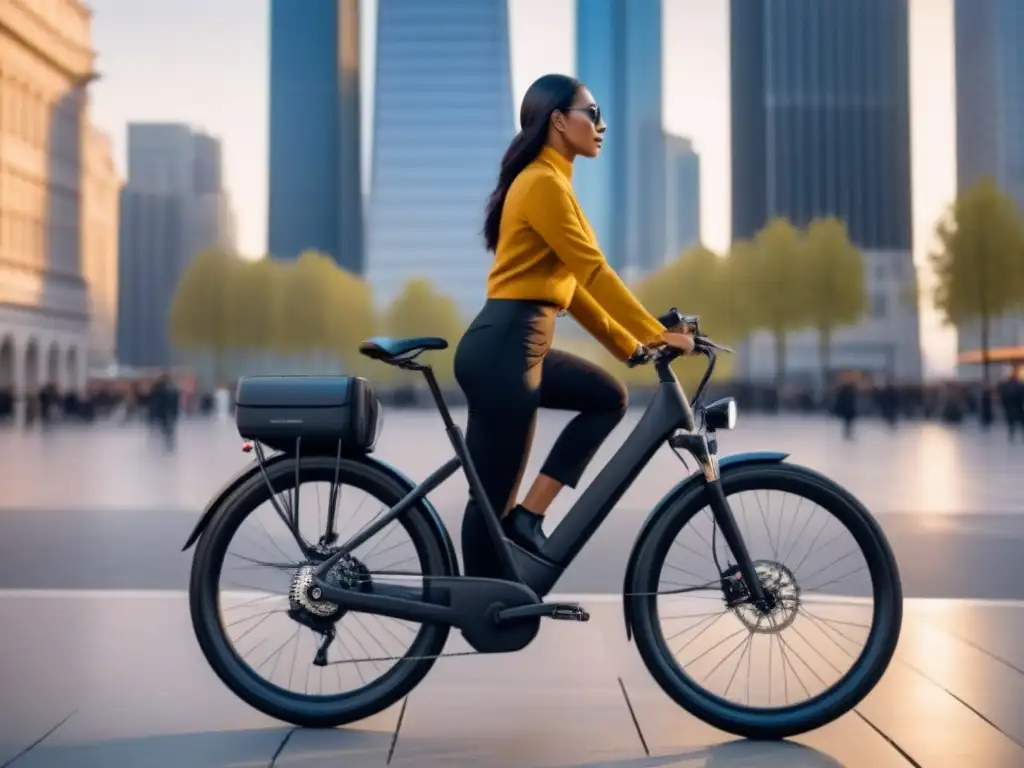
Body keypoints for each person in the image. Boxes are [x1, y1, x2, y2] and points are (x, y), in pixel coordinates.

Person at [454, 74, 695, 578]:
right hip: (506, 346)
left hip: (518, 342)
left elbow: (573, 288)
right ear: (559, 121)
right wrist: (654, 332)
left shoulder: (550, 180)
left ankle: (528, 519)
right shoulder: (542, 184)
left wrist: (629, 346)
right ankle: (475, 597)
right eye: (593, 112)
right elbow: (593, 271)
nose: (602, 125)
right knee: (492, 498)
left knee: (607, 397)